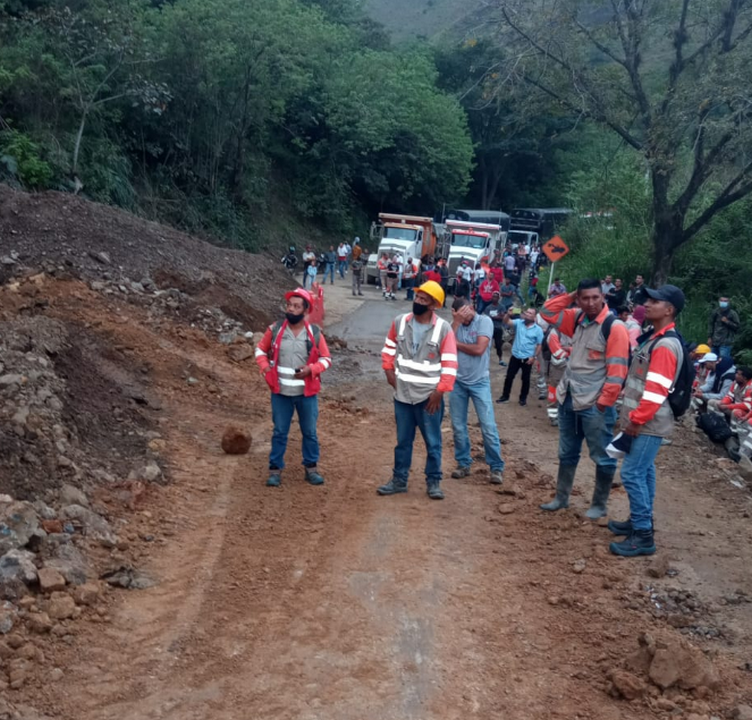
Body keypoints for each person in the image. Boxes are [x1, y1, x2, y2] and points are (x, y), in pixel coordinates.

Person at [539, 278, 630, 519]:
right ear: (578, 299)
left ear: (603, 297)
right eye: (585, 298)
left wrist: (603, 403)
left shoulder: (614, 327)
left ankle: (599, 505)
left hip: (594, 404)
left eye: (595, 297)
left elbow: (617, 371)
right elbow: (546, 312)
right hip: (568, 397)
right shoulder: (577, 319)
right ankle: (561, 498)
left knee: (603, 456)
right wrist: (570, 296)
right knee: (567, 452)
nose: (590, 303)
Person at [609, 285, 687, 557]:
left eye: (655, 301)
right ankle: (639, 522)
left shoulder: (664, 345)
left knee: (632, 473)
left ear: (669, 310)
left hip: (647, 422)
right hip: (646, 420)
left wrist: (636, 421)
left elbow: (655, 391)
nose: (648, 304)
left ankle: (643, 535)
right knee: (644, 471)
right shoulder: (655, 338)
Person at [378, 281, 458, 500]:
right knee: (403, 442)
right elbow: (389, 347)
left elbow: (450, 363)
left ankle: (433, 481)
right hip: (403, 395)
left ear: (433, 305)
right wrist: (388, 370)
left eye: (424, 299)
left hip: (429, 397)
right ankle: (399, 480)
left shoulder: (443, 329)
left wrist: (439, 392)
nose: (418, 301)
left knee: (433, 442)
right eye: (417, 297)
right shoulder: (400, 322)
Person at [254, 289, 332, 488]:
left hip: (306, 394)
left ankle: (311, 468)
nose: (291, 309)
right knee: (280, 432)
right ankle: (275, 470)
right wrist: (266, 369)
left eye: (297, 306)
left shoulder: (314, 334)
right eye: (289, 305)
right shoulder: (275, 330)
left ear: (305, 310)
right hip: (280, 393)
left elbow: (326, 359)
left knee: (309, 432)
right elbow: (260, 350)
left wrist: (311, 369)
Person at [448, 297, 505, 484]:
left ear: (472, 308)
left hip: (480, 381)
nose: (465, 318)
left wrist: (456, 344)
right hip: (458, 381)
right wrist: (456, 323)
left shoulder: (484, 321)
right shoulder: (454, 325)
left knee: (488, 426)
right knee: (458, 426)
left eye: (467, 313)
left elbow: (479, 349)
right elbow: (445, 346)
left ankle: (496, 467)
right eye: (460, 315)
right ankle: (463, 463)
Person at [496, 307, 544, 406]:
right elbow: (506, 321)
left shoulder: (538, 330)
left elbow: (540, 345)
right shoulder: (519, 323)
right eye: (527, 312)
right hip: (515, 356)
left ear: (534, 317)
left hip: (527, 358)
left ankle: (523, 399)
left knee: (525, 379)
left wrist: (534, 357)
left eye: (530, 313)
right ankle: (505, 396)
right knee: (509, 377)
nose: (527, 314)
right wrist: (508, 314)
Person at [484, 291, 507, 366]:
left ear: (498, 298)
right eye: (493, 297)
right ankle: (485, 359)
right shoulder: (488, 307)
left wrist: (493, 317)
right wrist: (497, 316)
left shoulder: (502, 307)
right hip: (489, 328)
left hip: (498, 328)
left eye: (496, 297)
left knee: (498, 345)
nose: (494, 298)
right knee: (486, 344)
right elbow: (486, 318)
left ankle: (500, 359)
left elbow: (502, 317)